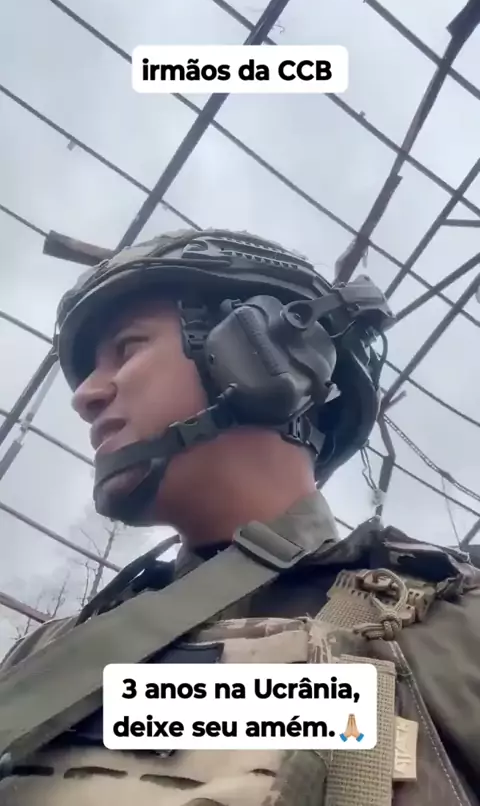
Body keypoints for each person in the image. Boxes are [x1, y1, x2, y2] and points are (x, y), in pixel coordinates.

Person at [0, 228, 479, 806]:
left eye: (127, 348)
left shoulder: (451, 625)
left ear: (267, 351)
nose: (85, 396)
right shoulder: (44, 658)